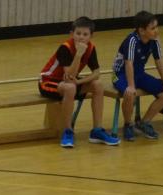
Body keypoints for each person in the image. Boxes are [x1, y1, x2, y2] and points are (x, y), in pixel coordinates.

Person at [38, 16, 119, 148]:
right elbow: (69, 76)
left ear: (91, 36)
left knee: (98, 85)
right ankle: (67, 131)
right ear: (72, 34)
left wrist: (80, 82)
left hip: (69, 82)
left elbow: (96, 73)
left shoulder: (91, 48)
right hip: (48, 81)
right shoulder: (65, 48)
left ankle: (97, 130)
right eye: (78, 33)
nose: (81, 37)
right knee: (70, 88)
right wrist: (78, 55)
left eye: (85, 34)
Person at [112, 11, 163, 142]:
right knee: (130, 94)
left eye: (157, 27)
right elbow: (128, 64)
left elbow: (159, 62)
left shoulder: (154, 41)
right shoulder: (132, 40)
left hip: (139, 73)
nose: (156, 31)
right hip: (121, 74)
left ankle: (144, 123)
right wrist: (131, 86)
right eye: (153, 28)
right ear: (141, 30)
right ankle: (128, 125)